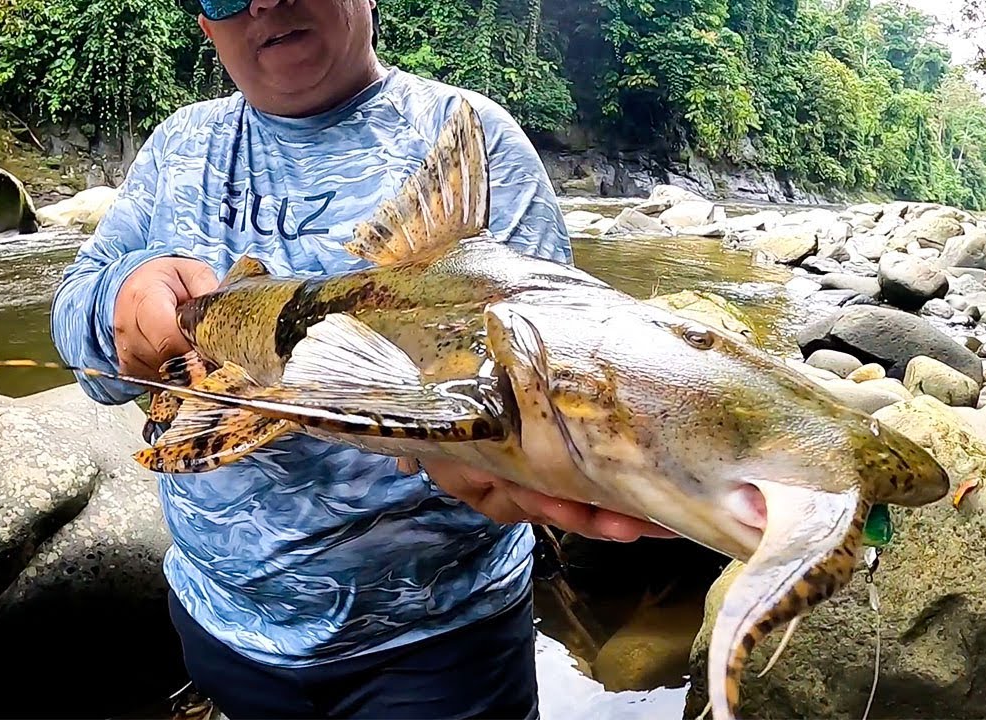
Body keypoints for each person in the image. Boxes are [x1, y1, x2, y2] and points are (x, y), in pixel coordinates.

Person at [50, 0, 674, 717]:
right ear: (204, 24)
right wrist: (117, 304)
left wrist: (486, 448)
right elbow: (75, 318)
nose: (264, 3)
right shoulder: (178, 148)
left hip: (442, 647)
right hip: (222, 628)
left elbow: (552, 365)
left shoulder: (469, 141)